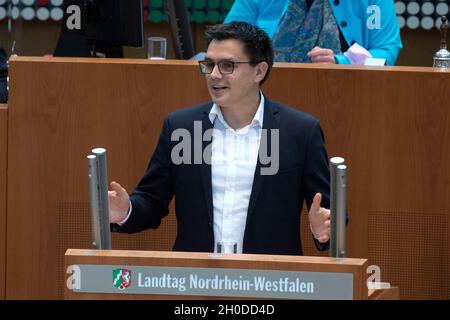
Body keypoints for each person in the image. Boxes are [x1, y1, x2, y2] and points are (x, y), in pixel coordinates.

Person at [109, 22, 331, 256]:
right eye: (209, 64)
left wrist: (323, 229)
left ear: (259, 71)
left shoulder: (299, 131)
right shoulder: (184, 128)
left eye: (227, 66)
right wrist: (127, 211)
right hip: (196, 281)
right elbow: (152, 201)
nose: (214, 75)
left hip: (270, 283)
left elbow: (328, 211)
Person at [224, 0, 402, 65]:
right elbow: (227, 42)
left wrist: (342, 61)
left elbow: (386, 51)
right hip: (265, 95)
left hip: (346, 94)